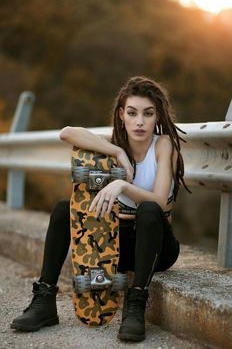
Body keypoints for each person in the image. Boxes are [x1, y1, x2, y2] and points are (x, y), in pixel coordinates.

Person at [11, 76, 188, 342]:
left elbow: (161, 201)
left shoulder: (163, 145)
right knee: (63, 208)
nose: (140, 122)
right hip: (115, 244)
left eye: (148, 114)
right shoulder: (114, 145)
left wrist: (121, 186)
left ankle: (135, 305)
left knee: (149, 209)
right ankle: (44, 299)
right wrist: (115, 150)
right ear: (122, 114)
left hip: (156, 244)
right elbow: (66, 132)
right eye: (132, 113)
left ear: (157, 116)